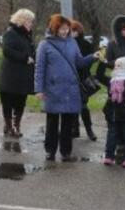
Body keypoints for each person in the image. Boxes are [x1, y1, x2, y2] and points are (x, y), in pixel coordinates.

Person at [34, 14, 99, 162]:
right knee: (52, 122)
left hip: (71, 89)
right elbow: (39, 68)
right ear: (54, 28)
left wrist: (92, 57)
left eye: (67, 29)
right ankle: (50, 151)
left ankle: (66, 152)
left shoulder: (72, 43)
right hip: (53, 89)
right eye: (61, 29)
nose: (64, 32)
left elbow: (80, 62)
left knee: (68, 122)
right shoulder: (45, 45)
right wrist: (38, 89)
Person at [0, 9, 36, 139]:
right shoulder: (10, 33)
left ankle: (16, 125)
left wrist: (33, 57)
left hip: (23, 76)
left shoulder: (28, 35)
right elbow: (7, 51)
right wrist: (25, 58)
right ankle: (9, 126)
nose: (31, 24)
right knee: (7, 102)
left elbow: (31, 50)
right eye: (29, 21)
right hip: (10, 76)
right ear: (22, 20)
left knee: (20, 102)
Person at [70, 20, 98, 141]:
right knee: (72, 106)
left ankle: (89, 130)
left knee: (83, 106)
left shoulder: (86, 44)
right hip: (70, 78)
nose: (70, 33)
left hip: (82, 78)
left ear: (78, 31)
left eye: (73, 30)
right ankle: (74, 129)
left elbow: (90, 61)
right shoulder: (67, 44)